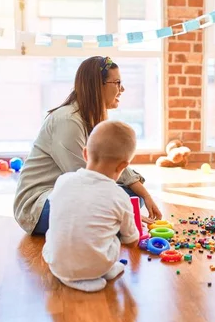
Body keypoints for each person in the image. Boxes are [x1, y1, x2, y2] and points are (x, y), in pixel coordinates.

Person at [13, 56, 162, 235]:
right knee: (123, 203)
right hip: (40, 205)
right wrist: (124, 212)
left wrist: (146, 195)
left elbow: (112, 163)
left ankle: (104, 223)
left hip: (73, 194)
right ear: (97, 86)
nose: (122, 89)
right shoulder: (67, 120)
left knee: (134, 198)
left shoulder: (93, 118)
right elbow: (86, 179)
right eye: (117, 82)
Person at [42, 120, 140, 292]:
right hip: (97, 266)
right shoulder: (120, 196)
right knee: (114, 234)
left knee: (54, 231)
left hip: (56, 264)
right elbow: (132, 242)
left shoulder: (63, 181)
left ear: (85, 154)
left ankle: (70, 275)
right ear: (123, 166)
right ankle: (96, 271)